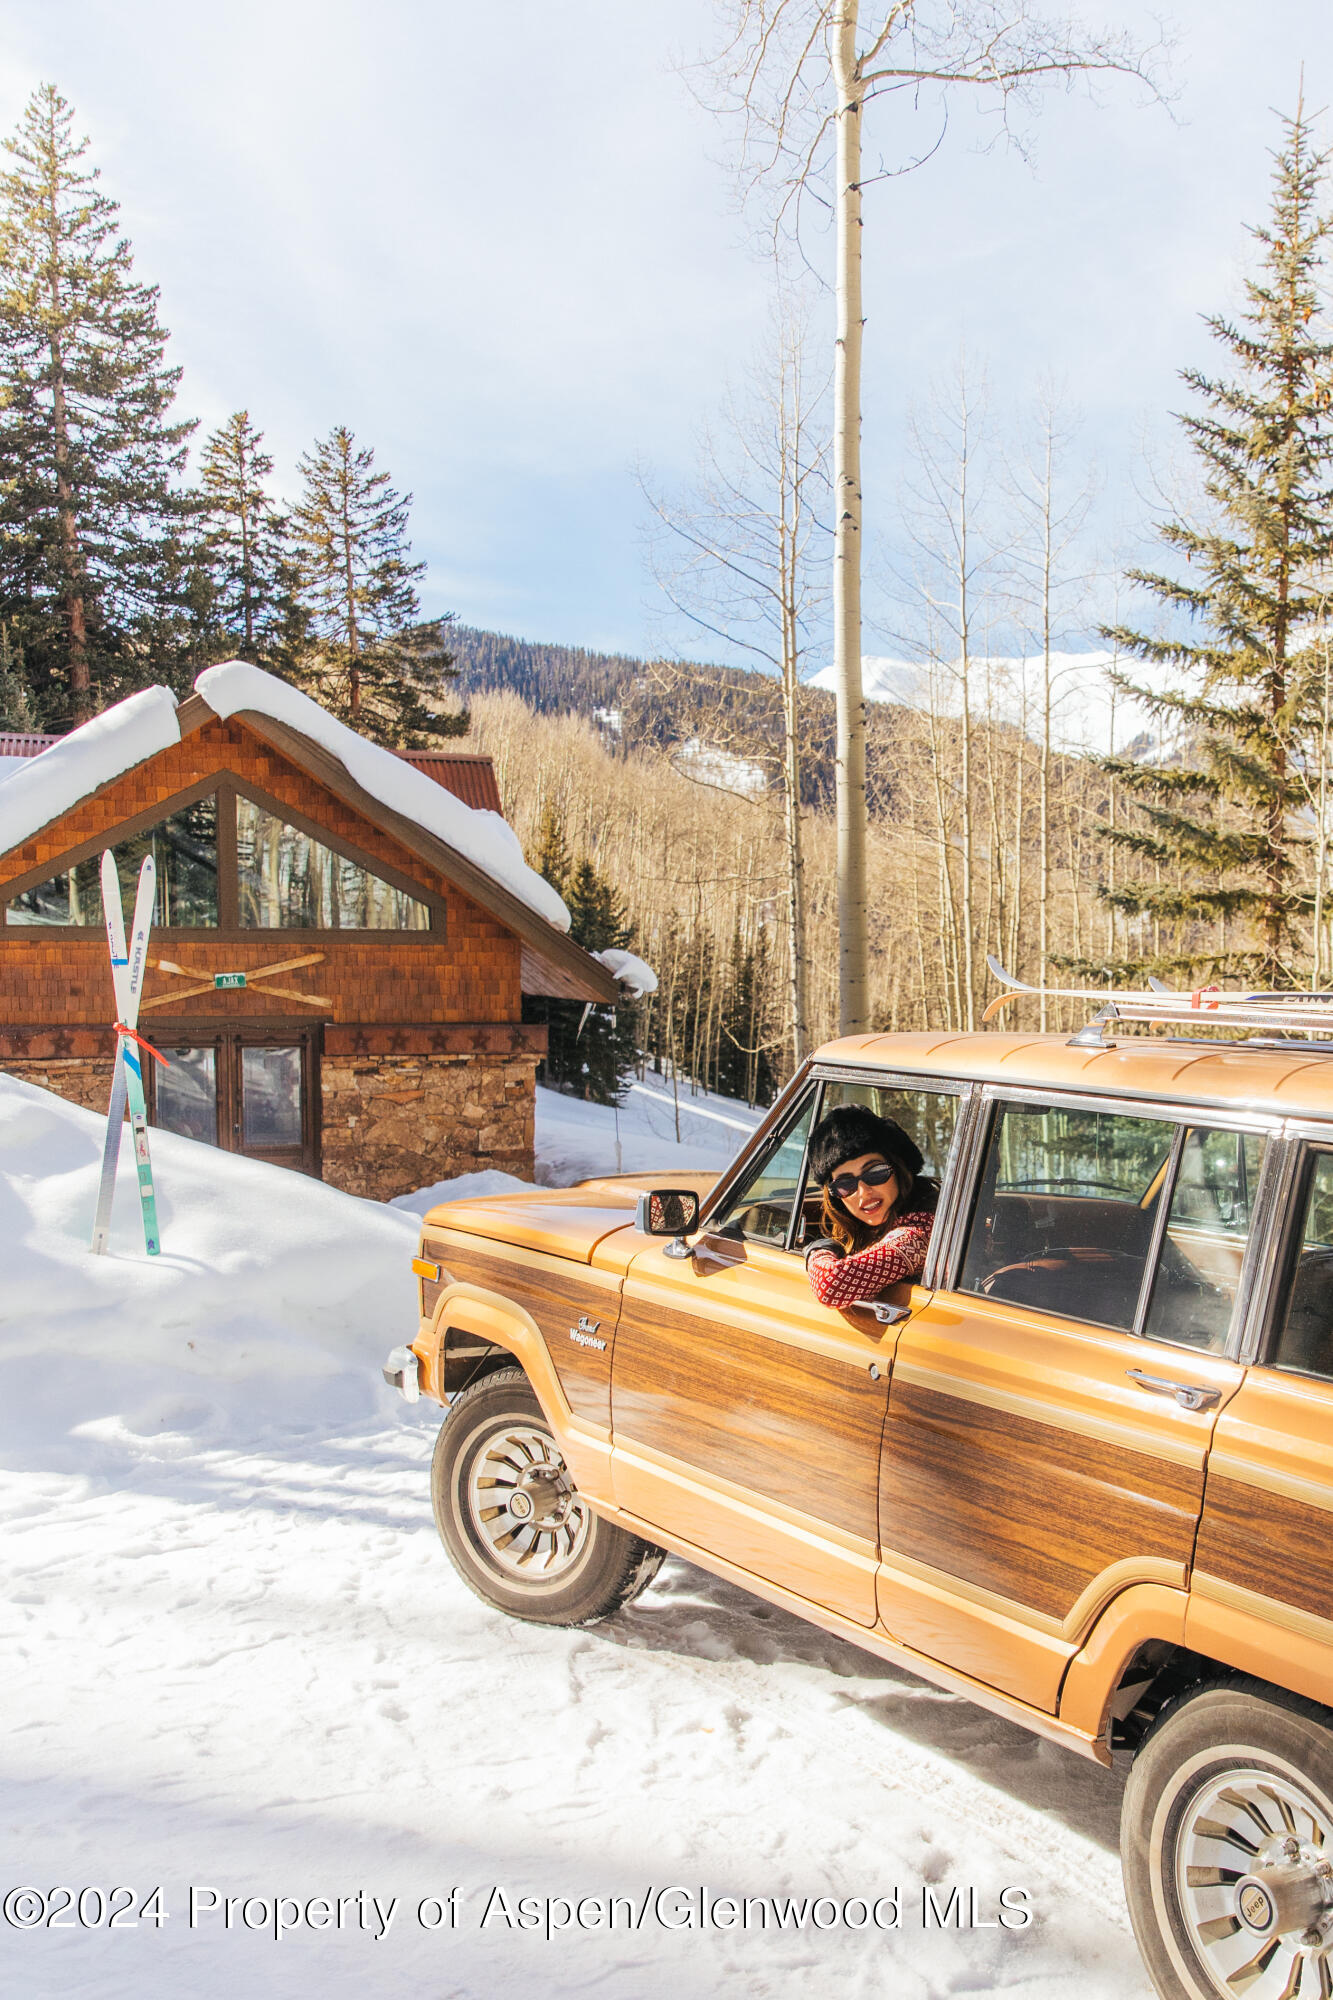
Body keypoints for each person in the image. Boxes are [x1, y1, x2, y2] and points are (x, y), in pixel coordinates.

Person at [803, 1105, 939, 1309]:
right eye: (845, 1184)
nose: (863, 1192)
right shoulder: (882, 1224)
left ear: (898, 1168)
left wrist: (818, 1250)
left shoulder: (920, 1232)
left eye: (875, 1172)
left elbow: (832, 1284)